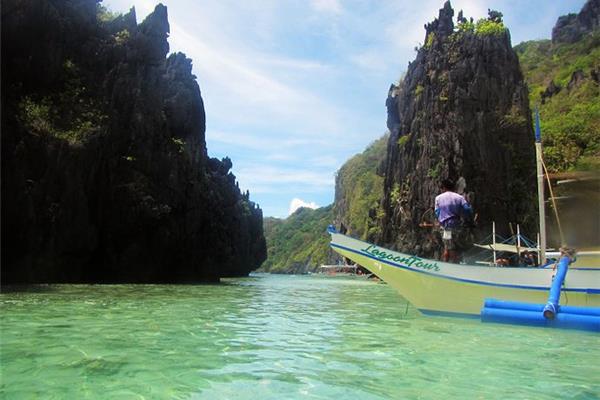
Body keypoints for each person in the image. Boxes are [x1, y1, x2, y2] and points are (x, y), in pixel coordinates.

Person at [434, 179, 473, 263]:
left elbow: (437, 213)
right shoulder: (459, 197)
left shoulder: (438, 198)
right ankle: (453, 266)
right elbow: (467, 210)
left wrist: (441, 219)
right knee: (452, 248)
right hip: (457, 226)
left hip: (445, 228)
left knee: (448, 247)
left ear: (443, 187)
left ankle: (448, 266)